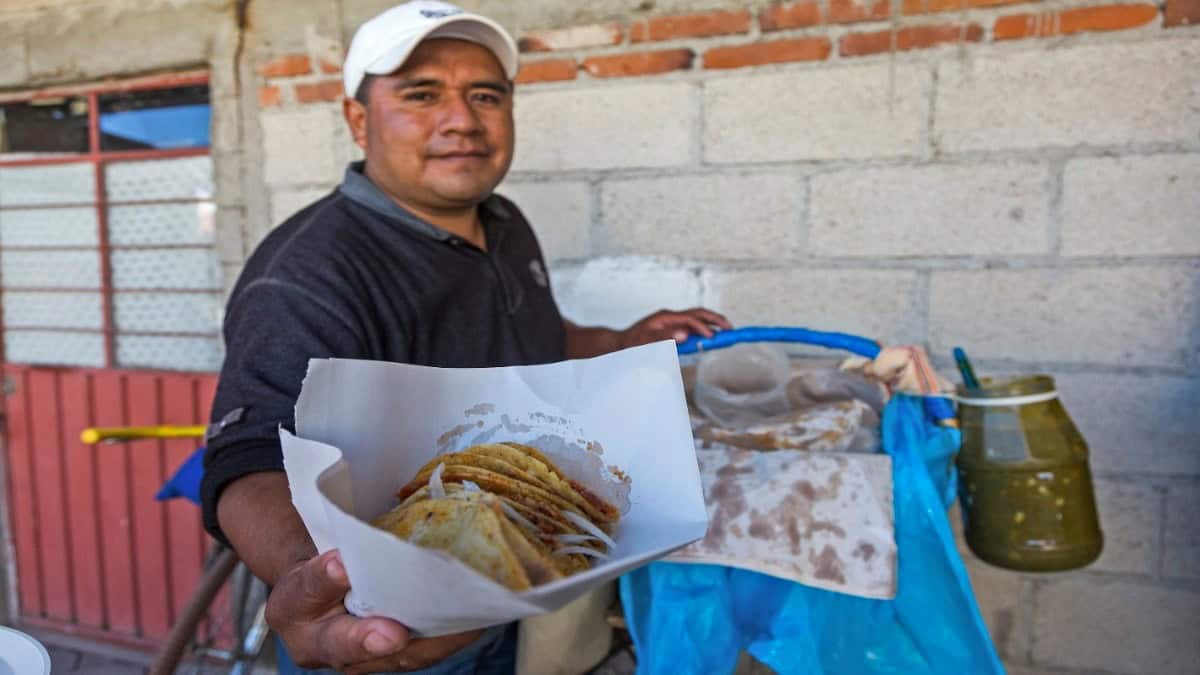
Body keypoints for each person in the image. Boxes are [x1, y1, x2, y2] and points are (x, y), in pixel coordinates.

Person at [200, 2, 731, 673]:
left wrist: (619, 336)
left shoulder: (503, 224)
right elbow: (248, 458)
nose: (462, 120)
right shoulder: (307, 274)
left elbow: (532, 336)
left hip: (519, 576)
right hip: (396, 627)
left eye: (486, 95)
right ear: (358, 120)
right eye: (422, 94)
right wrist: (324, 582)